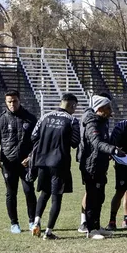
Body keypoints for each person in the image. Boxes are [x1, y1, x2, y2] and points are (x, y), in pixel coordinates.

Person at [29, 94, 80, 240]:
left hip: (42, 162)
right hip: (59, 163)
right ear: (72, 106)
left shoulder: (45, 116)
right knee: (56, 198)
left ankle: (36, 223)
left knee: (44, 193)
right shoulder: (72, 120)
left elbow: (33, 136)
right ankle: (48, 232)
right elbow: (75, 142)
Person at [0, 90, 38, 234]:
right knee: (11, 193)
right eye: (9, 101)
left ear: (19, 100)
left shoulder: (30, 119)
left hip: (26, 163)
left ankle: (31, 222)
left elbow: (37, 142)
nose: (12, 104)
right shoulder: (0, 120)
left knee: (29, 191)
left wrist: (30, 157)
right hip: (8, 163)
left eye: (14, 101)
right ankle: (14, 223)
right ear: (6, 102)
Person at [79, 95, 124, 239]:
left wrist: (113, 149)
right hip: (91, 165)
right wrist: (113, 150)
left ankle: (97, 226)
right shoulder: (92, 122)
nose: (111, 111)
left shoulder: (103, 122)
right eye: (108, 108)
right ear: (100, 108)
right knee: (92, 197)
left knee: (100, 197)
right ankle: (91, 230)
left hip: (101, 164)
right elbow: (96, 143)